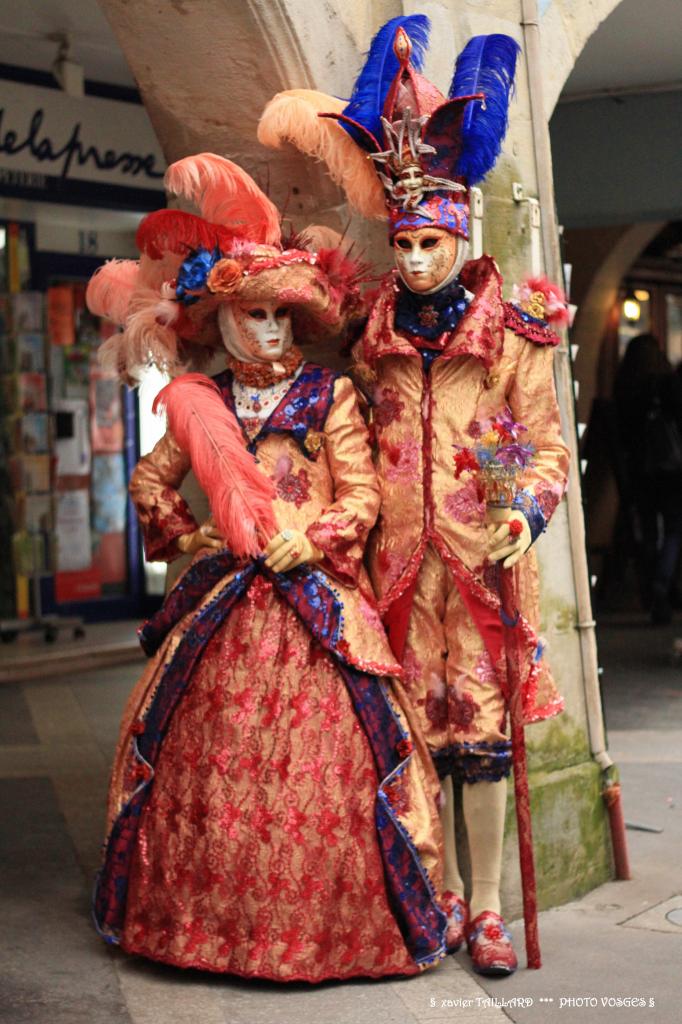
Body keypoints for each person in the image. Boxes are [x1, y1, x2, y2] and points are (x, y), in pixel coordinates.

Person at [86, 154, 446, 981]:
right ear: (222, 320)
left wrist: (312, 537)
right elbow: (150, 481)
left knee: (329, 774)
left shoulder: (332, 396)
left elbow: (361, 496)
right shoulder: (200, 401)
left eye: (283, 318)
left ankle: (331, 932)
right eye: (254, 317)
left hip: (314, 601)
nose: (272, 333)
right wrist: (190, 539)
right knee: (204, 766)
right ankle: (204, 930)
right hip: (226, 608)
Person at [259, 15, 570, 975]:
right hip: (391, 571)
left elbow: (547, 448)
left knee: (482, 742)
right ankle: (427, 895)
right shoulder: (369, 338)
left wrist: (528, 513)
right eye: (406, 242)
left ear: (459, 235)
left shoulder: (512, 336)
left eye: (433, 242)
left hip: (478, 569)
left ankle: (484, 909)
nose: (419, 260)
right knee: (410, 744)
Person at [614, 333, 682, 624]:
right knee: (674, 530)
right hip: (672, 469)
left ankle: (654, 585)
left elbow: (622, 433)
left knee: (648, 531)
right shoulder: (669, 383)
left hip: (640, 469)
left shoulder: (626, 384)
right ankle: (663, 585)